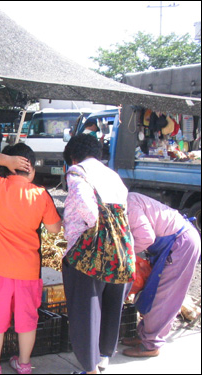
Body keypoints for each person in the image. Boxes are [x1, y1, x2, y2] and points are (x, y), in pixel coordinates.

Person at [0, 144, 62, 375]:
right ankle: (23, 364)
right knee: (27, 319)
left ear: (9, 167)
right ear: (31, 170)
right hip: (28, 271)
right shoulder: (41, 194)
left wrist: (5, 160)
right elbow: (53, 230)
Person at [62, 134, 132, 374]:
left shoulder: (77, 172)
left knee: (86, 309)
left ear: (73, 155)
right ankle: (103, 358)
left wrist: (89, 228)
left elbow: (86, 207)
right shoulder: (113, 175)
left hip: (90, 251)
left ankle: (89, 369)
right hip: (120, 248)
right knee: (111, 305)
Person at [121, 192, 201, 357]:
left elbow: (146, 238)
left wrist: (123, 255)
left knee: (164, 297)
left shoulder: (129, 204)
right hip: (173, 243)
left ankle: (151, 345)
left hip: (181, 244)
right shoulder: (128, 200)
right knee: (153, 292)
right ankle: (145, 336)